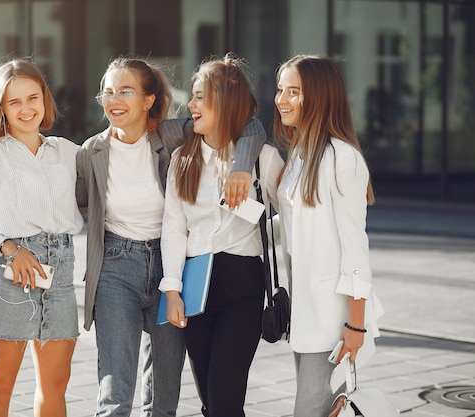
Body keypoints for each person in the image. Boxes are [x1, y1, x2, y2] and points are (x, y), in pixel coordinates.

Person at [75, 56, 265, 417]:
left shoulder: (172, 134)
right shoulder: (91, 152)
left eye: (125, 91)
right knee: (116, 387)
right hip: (116, 268)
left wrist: (241, 167)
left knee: (164, 390)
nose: (114, 99)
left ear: (148, 100)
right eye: (108, 92)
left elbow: (247, 124)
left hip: (169, 263)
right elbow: (82, 203)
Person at [0, 58, 82, 417]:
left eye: (32, 98)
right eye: (14, 101)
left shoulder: (68, 152)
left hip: (61, 276)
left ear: (45, 99)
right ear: (1, 108)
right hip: (9, 278)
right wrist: (8, 247)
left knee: (55, 387)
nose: (26, 109)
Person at [160, 53, 284, 417]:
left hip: (241, 287)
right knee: (211, 402)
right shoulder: (182, 158)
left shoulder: (262, 158)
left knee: (225, 402)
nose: (191, 105)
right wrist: (172, 290)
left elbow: (294, 220)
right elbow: (173, 228)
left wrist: (262, 226)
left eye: (200, 98)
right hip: (194, 284)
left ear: (225, 104)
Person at [272, 54, 383, 417]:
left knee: (309, 411)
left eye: (294, 92)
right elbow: (294, 228)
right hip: (304, 312)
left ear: (319, 97)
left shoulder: (342, 158)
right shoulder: (300, 154)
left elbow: (356, 249)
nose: (281, 100)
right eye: (280, 90)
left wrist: (355, 324)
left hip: (332, 319)